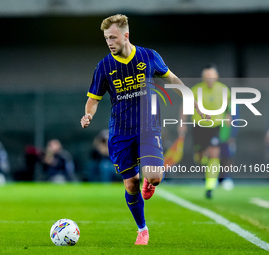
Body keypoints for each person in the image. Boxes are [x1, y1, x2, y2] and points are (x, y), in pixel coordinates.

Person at [80, 14, 208, 245]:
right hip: (120, 132)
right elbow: (94, 99)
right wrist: (88, 114)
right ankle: (142, 229)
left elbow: (173, 80)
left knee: (156, 177)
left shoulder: (149, 56)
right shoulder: (104, 66)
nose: (109, 42)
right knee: (130, 183)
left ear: (126, 35)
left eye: (113, 37)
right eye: (106, 38)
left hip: (148, 127)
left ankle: (150, 180)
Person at [178, 64, 230, 199]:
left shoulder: (224, 89)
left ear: (216, 76)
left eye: (211, 76)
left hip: (216, 127)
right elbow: (185, 106)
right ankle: (205, 167)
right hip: (199, 127)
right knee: (200, 158)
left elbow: (229, 106)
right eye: (206, 76)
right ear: (203, 77)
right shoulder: (196, 90)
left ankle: (210, 186)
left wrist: (229, 117)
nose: (209, 79)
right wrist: (182, 123)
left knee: (214, 154)